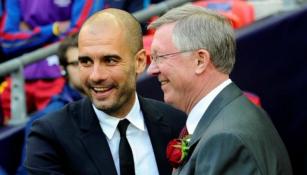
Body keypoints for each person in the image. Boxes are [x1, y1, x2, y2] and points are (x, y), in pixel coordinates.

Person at [25, 8, 186, 175]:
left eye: (109, 60)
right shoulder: (50, 135)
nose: (95, 76)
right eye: (86, 61)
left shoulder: (176, 123)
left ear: (139, 62)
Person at [147, 4, 293, 175]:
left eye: (159, 57)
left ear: (200, 61)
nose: (151, 70)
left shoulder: (226, 138)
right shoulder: (226, 118)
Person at [16, 34, 84, 175]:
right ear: (62, 69)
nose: (85, 69)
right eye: (77, 63)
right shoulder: (46, 120)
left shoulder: (112, 101)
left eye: (89, 61)